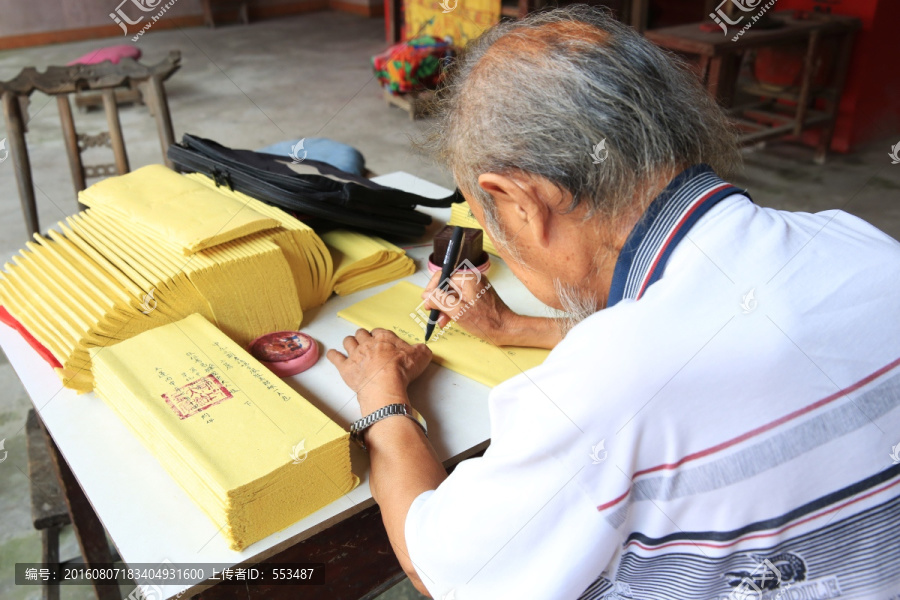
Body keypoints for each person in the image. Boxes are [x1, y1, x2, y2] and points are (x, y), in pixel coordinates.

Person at [327, 5, 900, 599]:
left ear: (520, 202)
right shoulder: (860, 243)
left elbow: (440, 567)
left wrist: (382, 400)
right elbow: (716, 331)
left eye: (487, 216)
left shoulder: (603, 387)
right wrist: (515, 325)